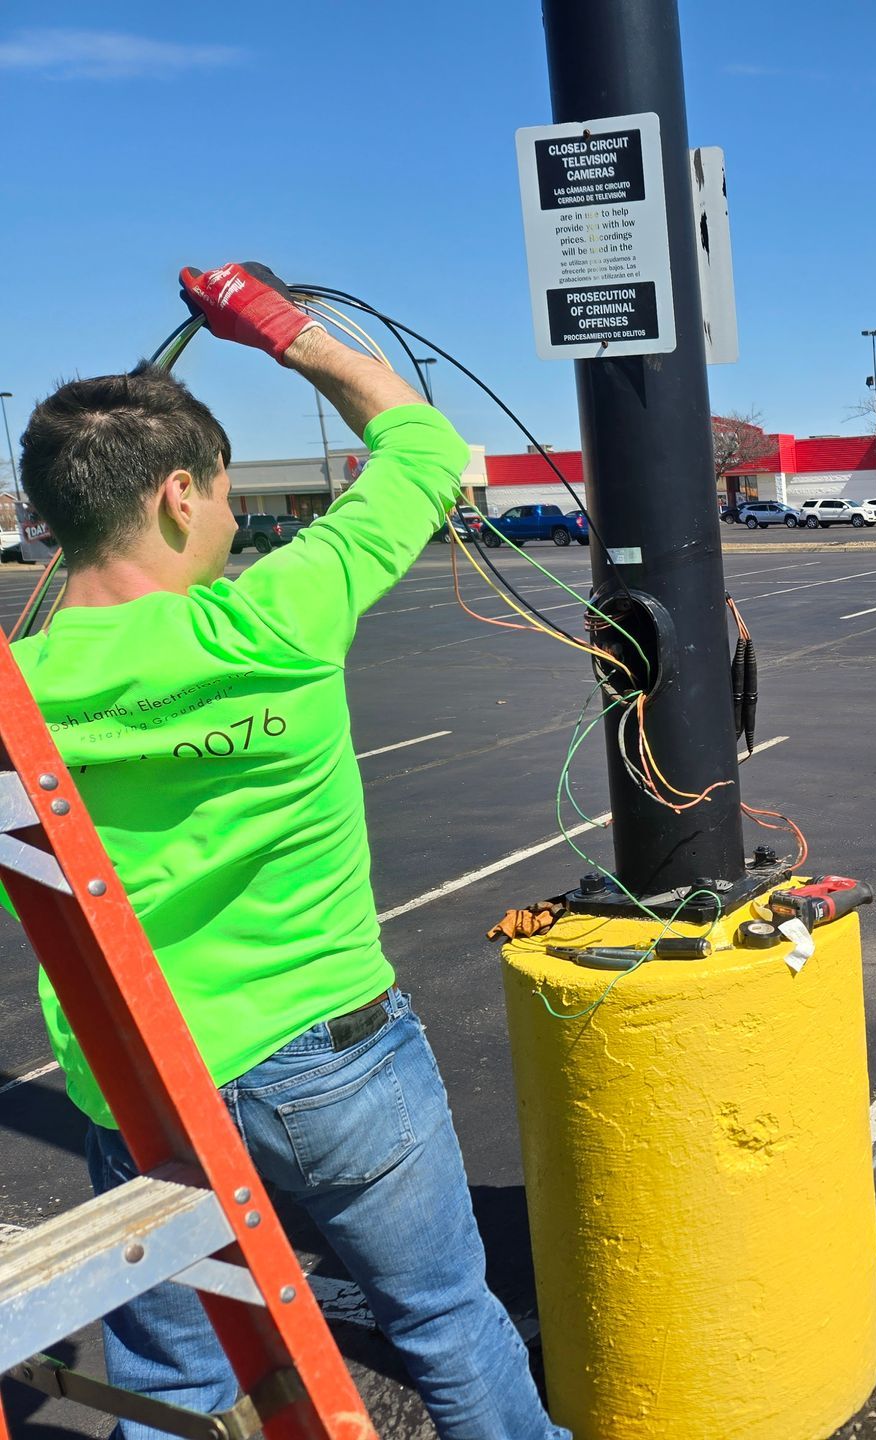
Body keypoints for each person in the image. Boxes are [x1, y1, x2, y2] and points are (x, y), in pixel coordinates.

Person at [10, 263, 567, 1440]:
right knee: (448, 1326)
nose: (224, 519)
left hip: (140, 1086)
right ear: (175, 496)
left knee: (173, 1388)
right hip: (337, 1061)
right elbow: (421, 444)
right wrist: (277, 329)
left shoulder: (22, 690)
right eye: (215, 496)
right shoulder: (277, 619)